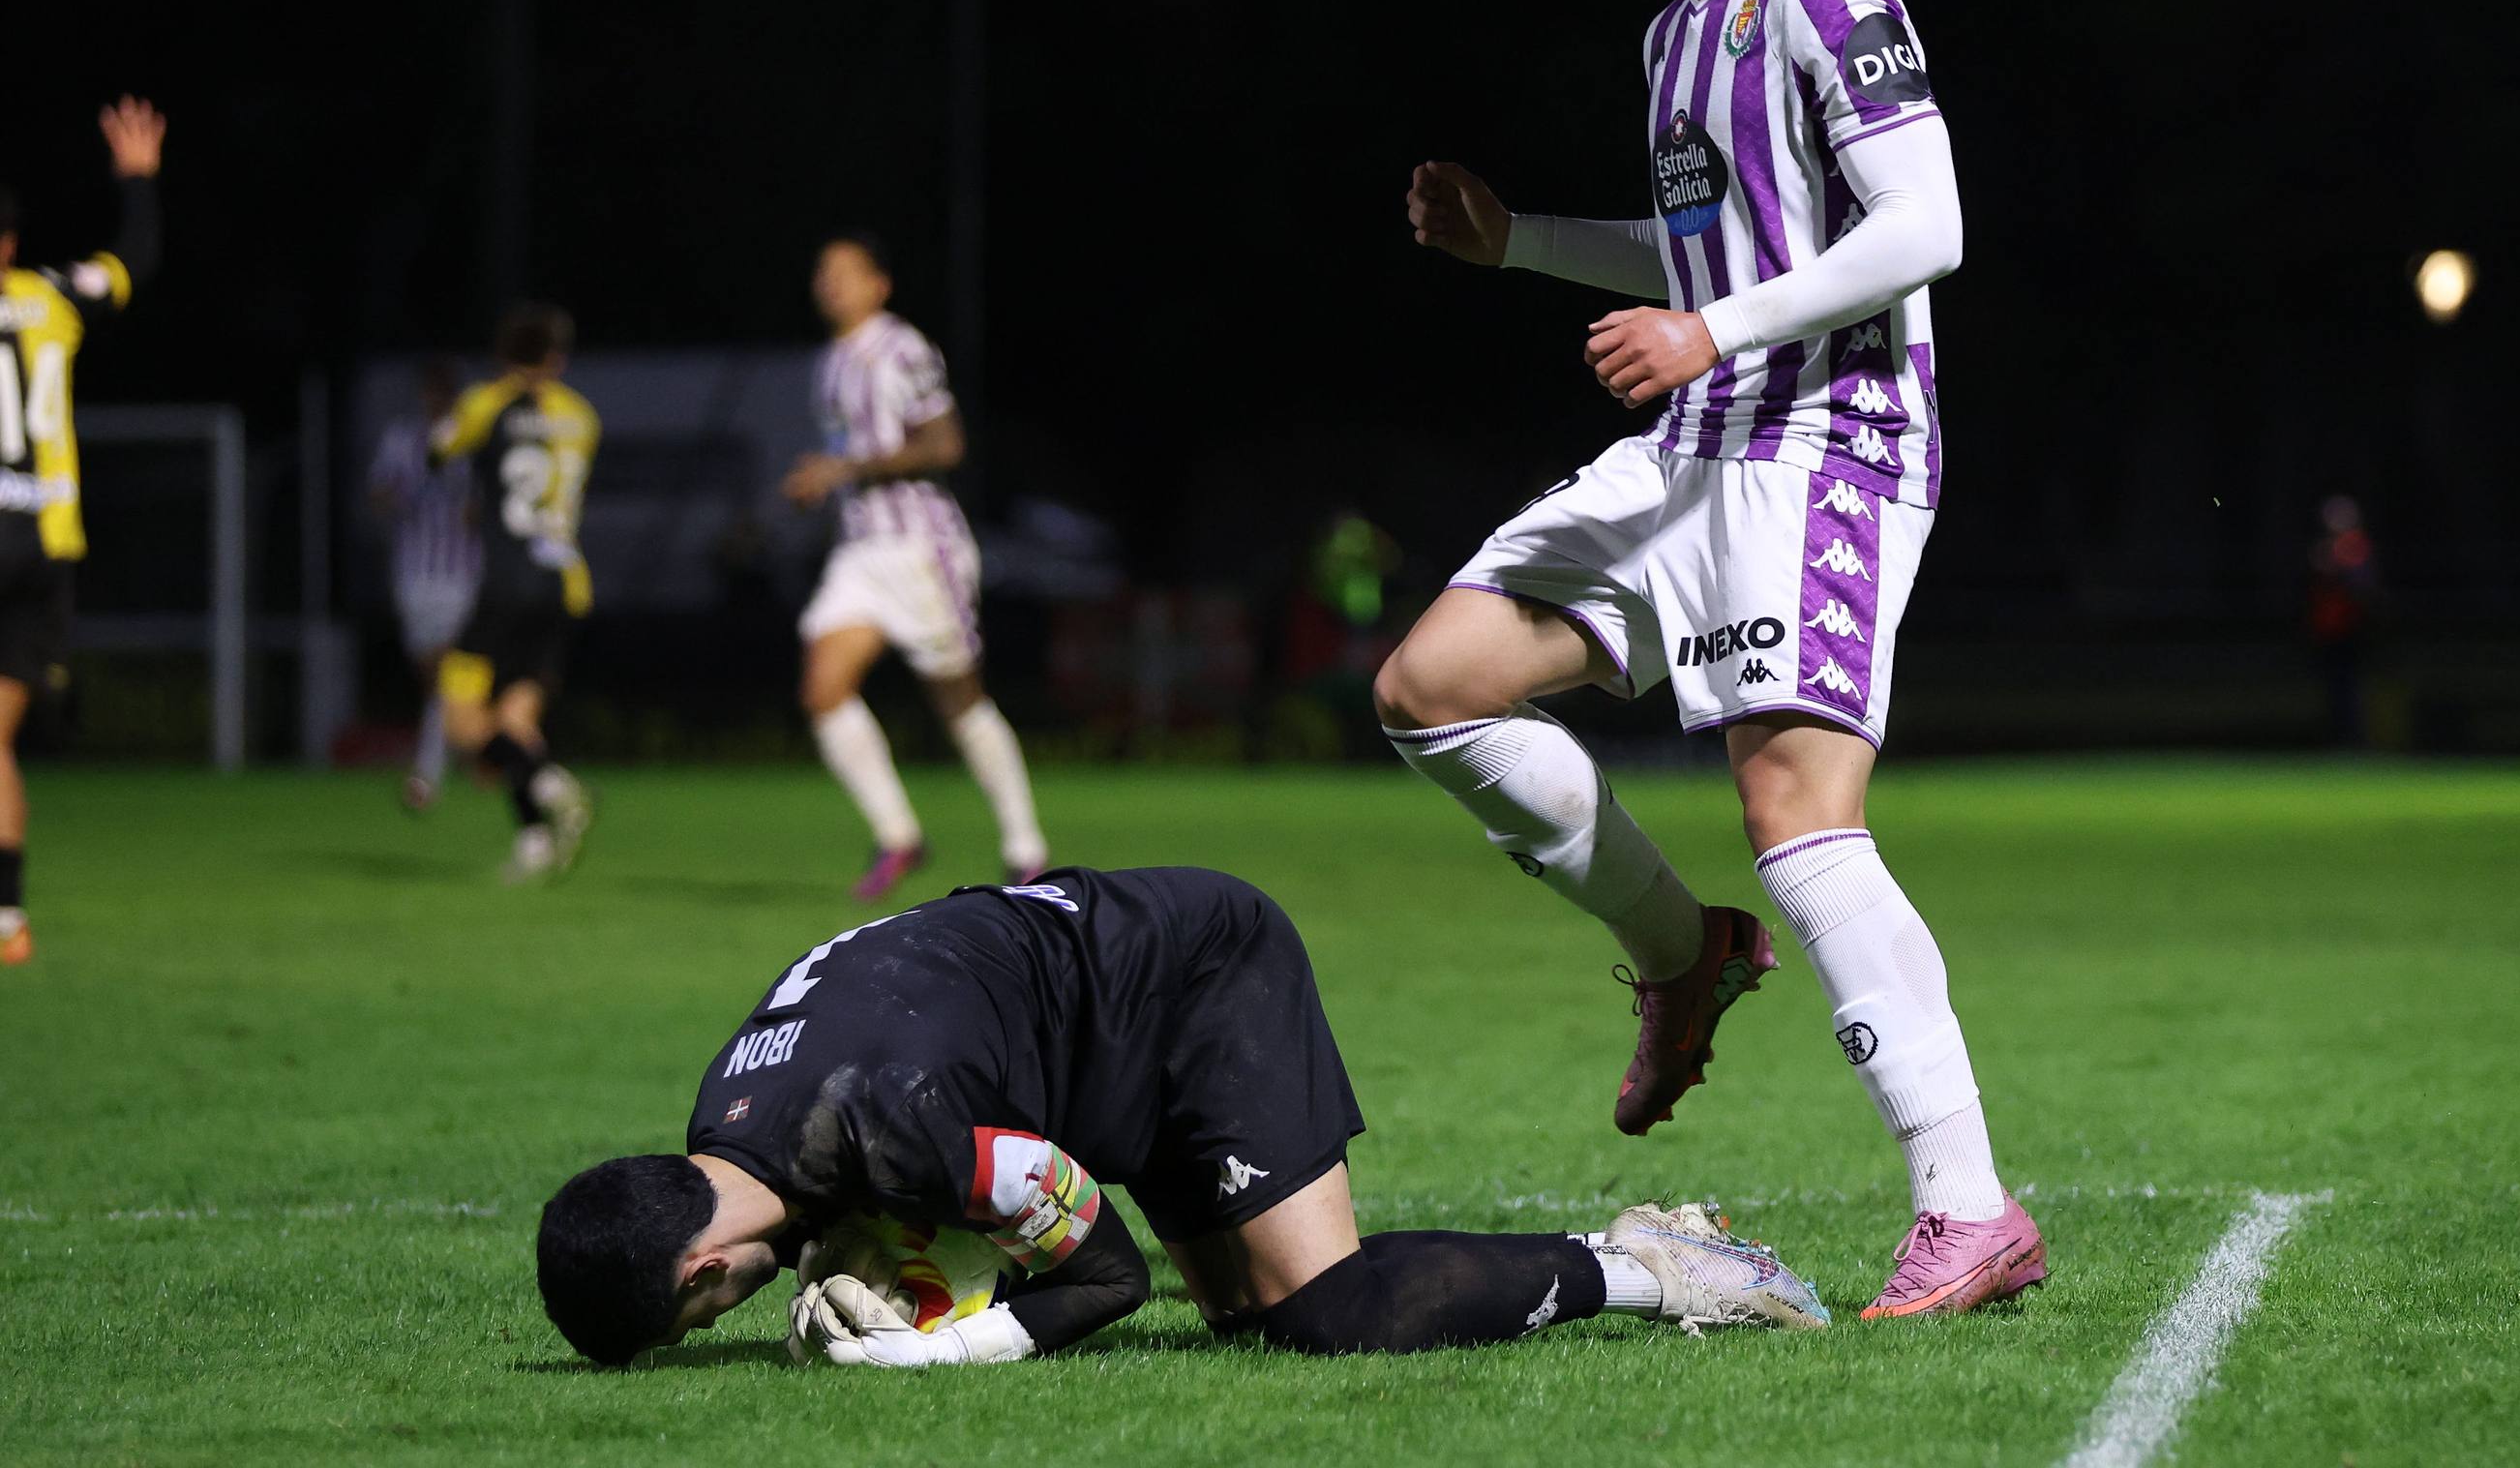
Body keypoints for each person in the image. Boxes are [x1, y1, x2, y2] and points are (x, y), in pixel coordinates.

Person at [1376, 0, 2041, 1318]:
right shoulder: (1674, 39)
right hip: (1700, 434)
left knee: (1798, 818)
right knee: (1427, 687)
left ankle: (1966, 1208)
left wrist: (1713, 336)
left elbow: (1925, 222)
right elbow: (1699, 264)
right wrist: (1519, 242)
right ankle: (1683, 957)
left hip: (1827, 440)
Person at [535, 865, 1828, 1367]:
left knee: (1325, 1317)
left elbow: (1099, 1277)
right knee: (1242, 1326)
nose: (733, 1316)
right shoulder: (734, 1106)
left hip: (1193, 981)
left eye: (708, 1312)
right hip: (1086, 1015)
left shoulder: (888, 1120)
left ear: (701, 1261)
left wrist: (930, 1349)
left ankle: (1658, 1265)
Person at [781, 234, 1046, 899]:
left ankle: (1025, 847)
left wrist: (845, 468)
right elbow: (850, 453)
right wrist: (823, 483)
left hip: (919, 548)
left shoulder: (900, 348)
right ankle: (899, 836)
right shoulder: (829, 363)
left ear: (880, 285)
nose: (831, 283)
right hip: (860, 551)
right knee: (822, 687)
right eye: (823, 271)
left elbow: (944, 442)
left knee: (957, 698)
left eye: (846, 272)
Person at [0, 97, 163, 969]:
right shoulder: (53, 296)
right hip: (46, 540)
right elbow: (133, 262)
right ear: (12, 245)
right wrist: (137, 182)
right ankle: (7, 921)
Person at [436, 304, 597, 881]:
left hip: (506, 584)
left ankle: (554, 785)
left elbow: (441, 450)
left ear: (504, 355)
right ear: (557, 357)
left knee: (462, 722)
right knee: (517, 717)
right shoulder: (580, 415)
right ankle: (534, 840)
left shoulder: (488, 402)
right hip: (565, 587)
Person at [365, 360, 482, 811]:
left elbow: (486, 504)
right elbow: (376, 494)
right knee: (432, 679)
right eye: (431, 391)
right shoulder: (401, 439)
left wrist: (475, 513)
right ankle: (474, 752)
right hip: (413, 573)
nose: (437, 399)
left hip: (462, 574)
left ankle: (426, 775)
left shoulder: (471, 441)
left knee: (446, 670)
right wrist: (400, 497)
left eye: (445, 391)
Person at [2305, 494, 2379, 748]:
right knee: (2333, 689)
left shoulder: (2354, 547)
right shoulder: (2327, 548)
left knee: (2350, 688)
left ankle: (2354, 740)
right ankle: (2337, 738)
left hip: (2349, 632)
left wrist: (2335, 568)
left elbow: (2363, 589)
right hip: (2327, 632)